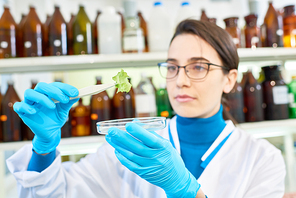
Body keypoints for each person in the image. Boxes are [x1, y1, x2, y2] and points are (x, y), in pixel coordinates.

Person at [7, 20, 285, 198]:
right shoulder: (130, 144)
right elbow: (58, 194)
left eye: (198, 66)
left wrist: (185, 191)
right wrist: (43, 149)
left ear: (230, 79)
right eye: (173, 67)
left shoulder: (263, 159)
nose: (180, 80)